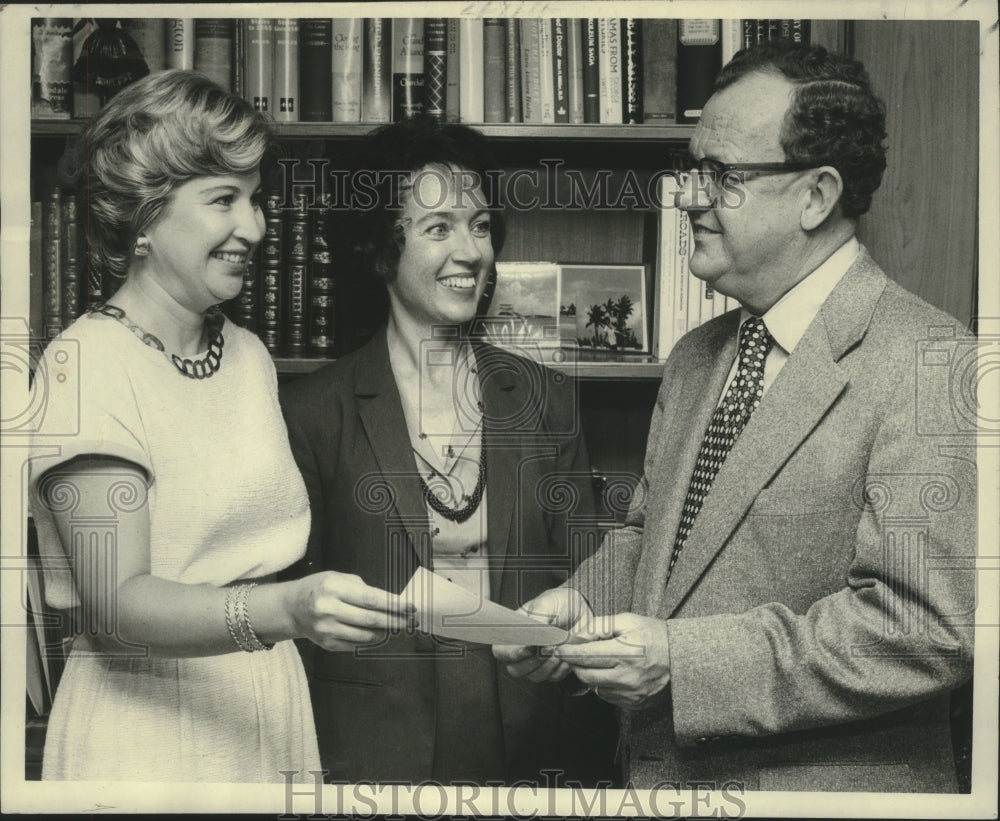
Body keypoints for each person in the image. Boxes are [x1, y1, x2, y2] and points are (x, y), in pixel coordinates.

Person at [495, 40, 976, 793]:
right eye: (693, 170)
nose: (688, 196)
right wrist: (583, 603)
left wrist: (681, 662)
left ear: (815, 196)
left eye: (721, 176)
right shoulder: (695, 357)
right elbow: (654, 538)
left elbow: (923, 627)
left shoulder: (933, 360)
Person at [28, 70, 413, 782]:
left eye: (256, 197)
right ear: (144, 216)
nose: (256, 226)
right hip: (144, 725)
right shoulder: (84, 365)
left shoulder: (246, 354)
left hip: (264, 703)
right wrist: (287, 608)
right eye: (223, 199)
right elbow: (117, 607)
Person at [279, 116, 617, 785]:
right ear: (383, 247)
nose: (471, 251)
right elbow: (292, 609)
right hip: (373, 751)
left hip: (534, 744)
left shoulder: (547, 398)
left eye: (481, 225)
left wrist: (569, 640)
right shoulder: (314, 410)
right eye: (439, 228)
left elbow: (591, 571)